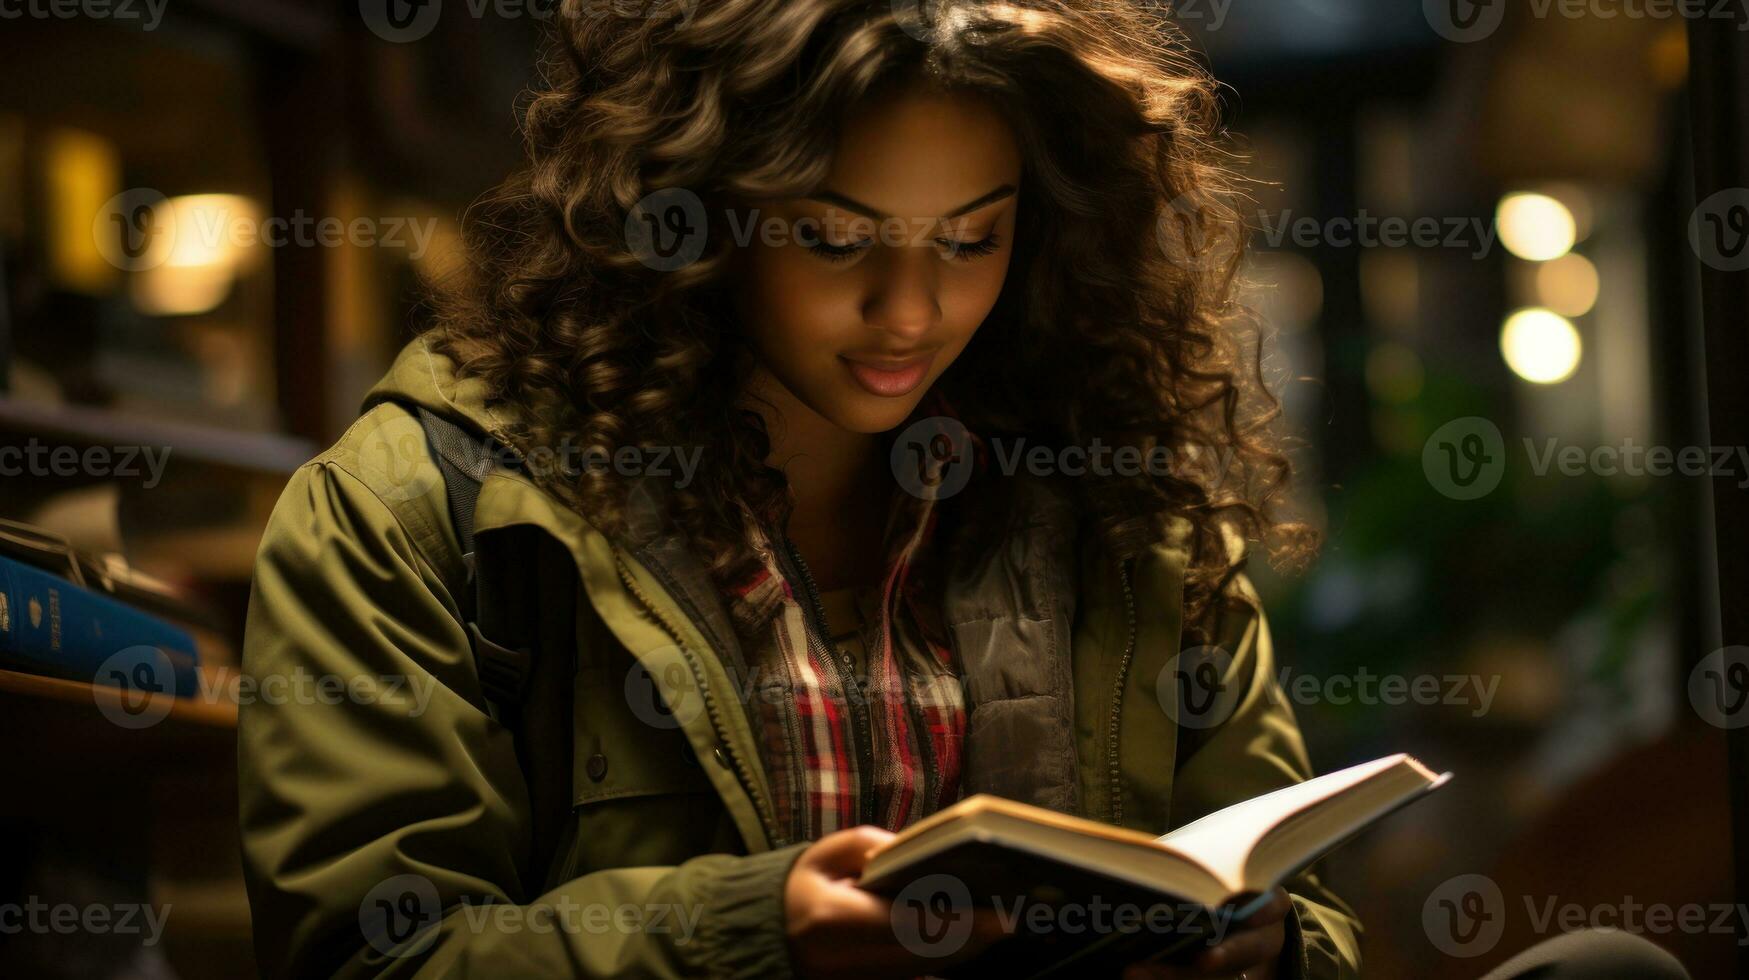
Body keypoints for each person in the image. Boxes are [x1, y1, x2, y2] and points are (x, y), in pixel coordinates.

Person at [235, 2, 1691, 978]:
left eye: (971, 239)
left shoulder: (1115, 505)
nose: (910, 311)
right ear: (698, 222)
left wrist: (1259, 947)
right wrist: (759, 934)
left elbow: (1279, 889)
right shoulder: (433, 498)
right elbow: (374, 949)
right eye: (835, 238)